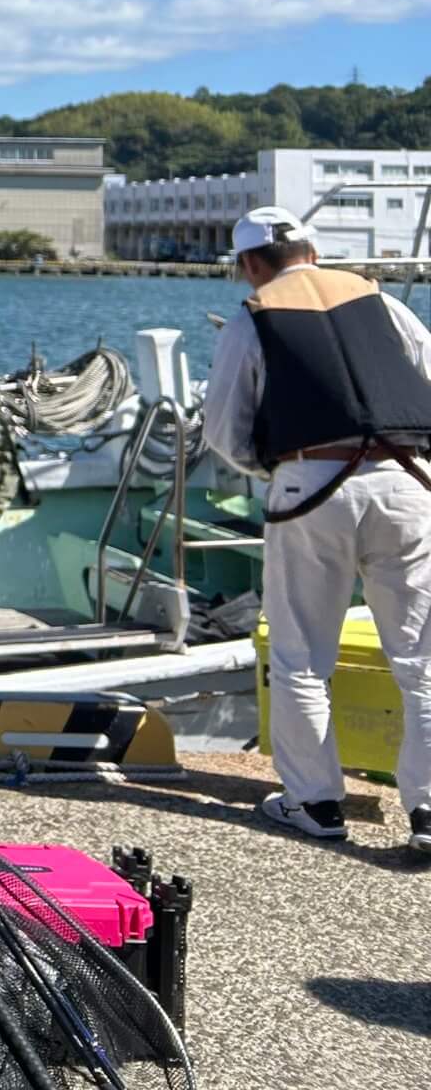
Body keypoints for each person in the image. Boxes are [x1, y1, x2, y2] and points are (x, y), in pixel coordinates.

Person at [200, 207, 431, 853]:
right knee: (422, 660)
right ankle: (429, 811)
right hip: (408, 479)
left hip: (312, 485)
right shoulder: (380, 300)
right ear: (314, 249)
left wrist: (275, 468)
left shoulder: (253, 316)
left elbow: (224, 426)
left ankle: (315, 802)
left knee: (302, 656)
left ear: (249, 264)